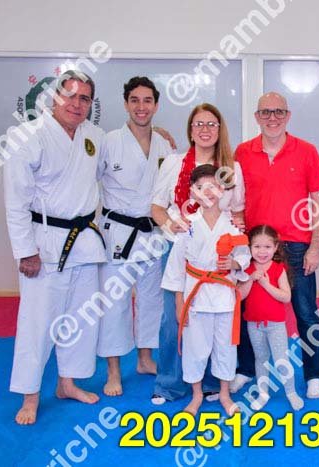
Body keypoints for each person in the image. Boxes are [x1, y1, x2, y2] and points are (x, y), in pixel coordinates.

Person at [4, 70, 106, 424]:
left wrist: (159, 137)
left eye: (84, 99)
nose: (77, 104)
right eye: (70, 96)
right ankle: (30, 396)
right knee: (38, 323)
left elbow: (116, 166)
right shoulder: (27, 136)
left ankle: (67, 383)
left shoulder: (94, 137)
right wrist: (25, 250)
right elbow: (15, 201)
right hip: (44, 243)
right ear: (54, 97)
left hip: (84, 242)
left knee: (80, 319)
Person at [233, 92, 319, 399]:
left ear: (288, 115)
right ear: (256, 117)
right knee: (247, 311)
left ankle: (313, 375)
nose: (272, 118)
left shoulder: (307, 151)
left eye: (278, 112)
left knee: (306, 312)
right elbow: (236, 199)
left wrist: (314, 247)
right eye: (265, 112)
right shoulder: (242, 152)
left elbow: (318, 202)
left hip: (297, 246)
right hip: (255, 248)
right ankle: (245, 369)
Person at [150, 103, 245, 405]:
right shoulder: (174, 163)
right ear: (190, 130)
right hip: (182, 247)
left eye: (211, 124)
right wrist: (172, 226)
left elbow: (238, 211)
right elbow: (156, 207)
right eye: (199, 124)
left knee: (217, 321)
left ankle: (213, 383)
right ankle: (169, 383)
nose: (205, 129)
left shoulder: (231, 168)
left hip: (219, 252)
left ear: (220, 130)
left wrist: (237, 246)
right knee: (174, 319)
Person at [96, 77, 172, 396]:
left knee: (152, 301)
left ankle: (144, 358)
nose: (141, 107)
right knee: (115, 305)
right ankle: (113, 371)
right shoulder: (109, 141)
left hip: (153, 234)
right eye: (135, 100)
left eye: (147, 101)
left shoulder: (164, 144)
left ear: (156, 105)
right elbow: (87, 181)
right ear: (126, 104)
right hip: (118, 233)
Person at [161, 164, 251, 416]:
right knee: (195, 348)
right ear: (192, 192)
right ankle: (197, 395)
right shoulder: (186, 225)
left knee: (225, 347)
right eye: (200, 187)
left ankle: (224, 394)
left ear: (222, 189)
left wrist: (234, 264)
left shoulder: (232, 225)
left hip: (223, 296)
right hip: (195, 296)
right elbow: (176, 268)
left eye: (212, 186)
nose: (207, 192)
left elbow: (244, 255)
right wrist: (179, 303)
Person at [237, 225, 305, 411]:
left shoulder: (278, 269)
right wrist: (251, 279)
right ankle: (263, 393)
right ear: (250, 248)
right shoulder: (247, 269)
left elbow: (286, 297)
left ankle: (291, 392)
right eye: (257, 246)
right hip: (254, 324)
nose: (262, 251)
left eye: (267, 247)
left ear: (275, 247)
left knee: (281, 359)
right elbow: (240, 296)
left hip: (275, 325)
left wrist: (266, 284)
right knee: (261, 359)